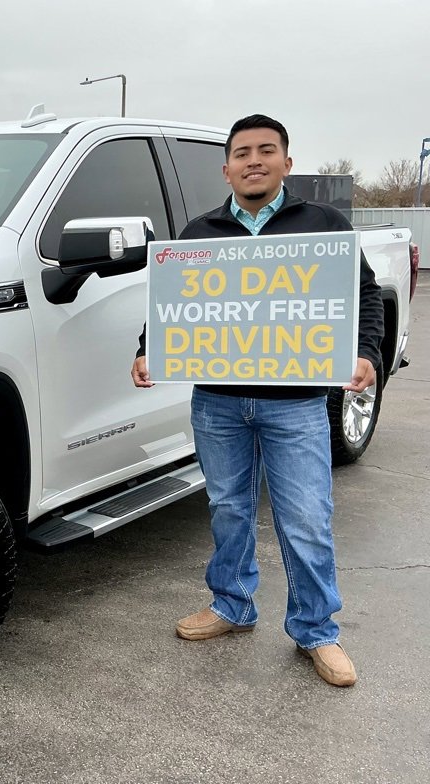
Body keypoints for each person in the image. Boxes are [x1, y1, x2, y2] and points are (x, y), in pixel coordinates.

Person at [131, 114, 384, 687]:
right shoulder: (198, 234)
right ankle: (232, 605)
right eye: (242, 153)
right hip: (217, 404)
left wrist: (367, 351)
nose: (254, 161)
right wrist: (149, 349)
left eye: (266, 150)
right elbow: (171, 306)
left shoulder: (324, 225)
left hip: (295, 405)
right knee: (229, 510)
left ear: (286, 163)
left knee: (307, 519)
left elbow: (363, 294)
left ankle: (316, 631)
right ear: (226, 169)